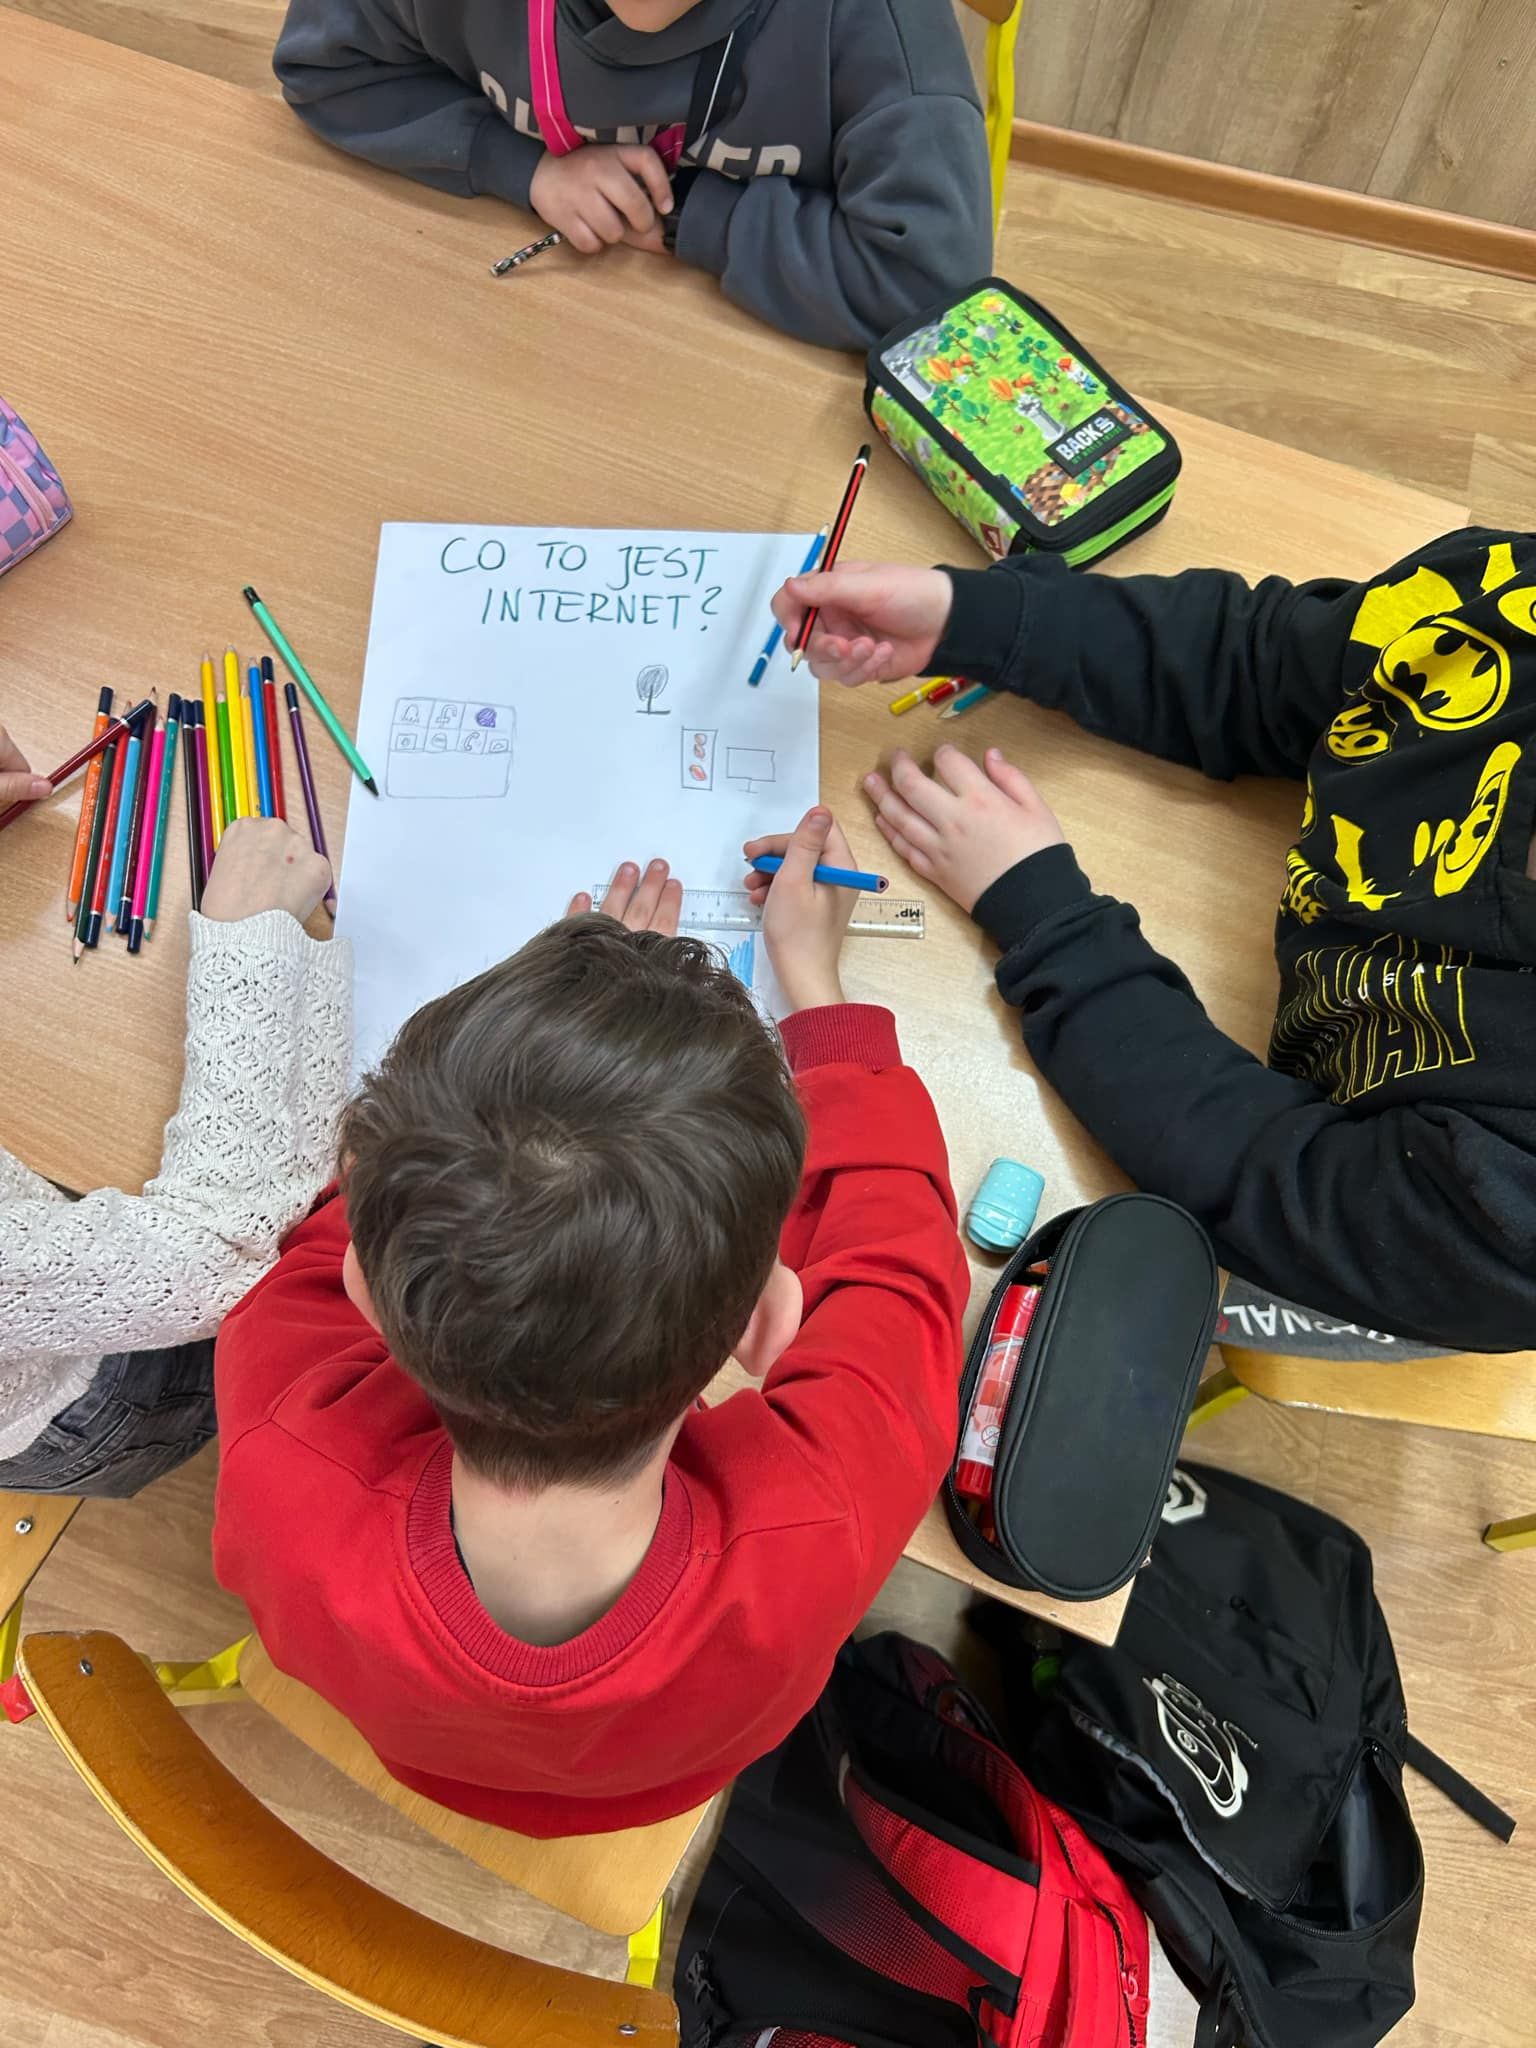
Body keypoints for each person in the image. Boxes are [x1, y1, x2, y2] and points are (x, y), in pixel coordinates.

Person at [212, 813, 969, 1835]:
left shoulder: (278, 1452)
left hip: (416, 1748)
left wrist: (538, 1070)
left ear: (365, 1288)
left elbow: (336, 1226)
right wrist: (815, 988)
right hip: (660, 1781)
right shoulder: (819, 1525)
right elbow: (902, 1275)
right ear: (764, 1323)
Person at [770, 533, 1536, 1355]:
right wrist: (983, 618)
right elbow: (1263, 660)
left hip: (1364, 1248)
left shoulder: (1510, 1217)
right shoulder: (1507, 605)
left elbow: (1258, 1181)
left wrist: (1044, 914)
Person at [0, 724, 348, 1495]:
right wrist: (252, 951)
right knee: (228, 1357)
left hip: (63, 1267)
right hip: (92, 1391)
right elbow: (220, 1259)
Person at [271, 0, 992, 351]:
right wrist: (519, 166)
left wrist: (694, 213)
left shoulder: (882, 28)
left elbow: (932, 289)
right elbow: (326, 69)